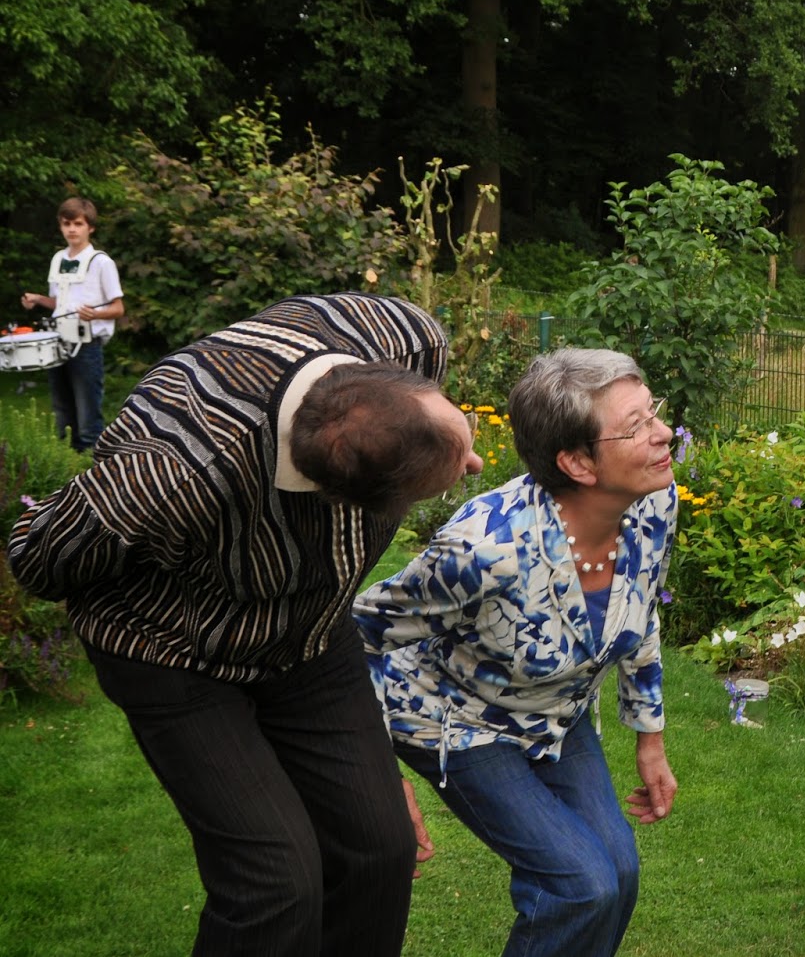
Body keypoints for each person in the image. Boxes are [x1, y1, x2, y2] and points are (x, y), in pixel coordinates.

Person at [7, 292, 485, 957]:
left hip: (310, 635)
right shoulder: (175, 467)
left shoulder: (406, 337)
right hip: (171, 650)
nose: (476, 464)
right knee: (274, 884)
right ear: (341, 500)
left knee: (380, 848)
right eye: (453, 472)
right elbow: (40, 556)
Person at [354, 348, 679, 957]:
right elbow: (361, 632)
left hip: (555, 710)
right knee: (578, 887)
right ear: (577, 462)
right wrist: (373, 775)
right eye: (636, 426)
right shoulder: (483, 550)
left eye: (653, 412)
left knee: (619, 872)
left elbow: (640, 606)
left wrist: (649, 737)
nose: (664, 433)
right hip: (455, 720)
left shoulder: (654, 502)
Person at [19, 197, 125, 452]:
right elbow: (61, 303)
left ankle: (92, 459)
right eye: (67, 224)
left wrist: (95, 314)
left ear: (91, 227)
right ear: (60, 226)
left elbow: (118, 308)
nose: (72, 229)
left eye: (78, 224)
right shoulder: (58, 259)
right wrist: (38, 299)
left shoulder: (101, 262)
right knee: (62, 407)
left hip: (86, 344)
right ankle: (66, 458)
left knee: (87, 408)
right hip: (58, 341)